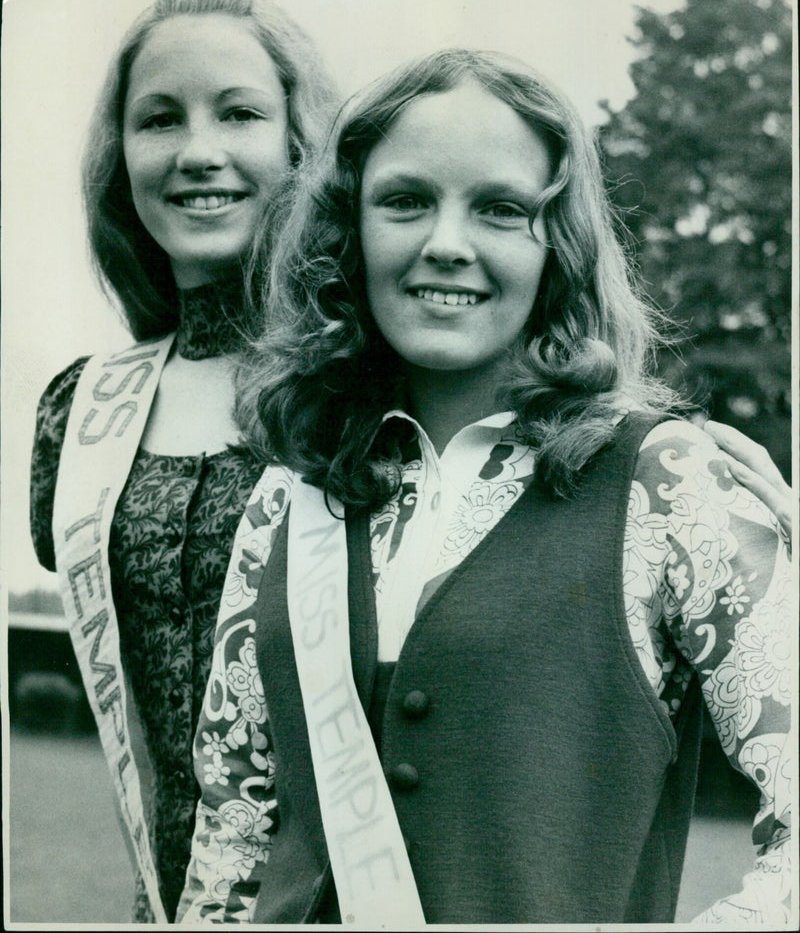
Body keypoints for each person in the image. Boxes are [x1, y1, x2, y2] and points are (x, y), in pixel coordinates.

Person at [178, 49, 792, 926]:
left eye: (501, 209)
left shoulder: (666, 480)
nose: (447, 245)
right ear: (346, 231)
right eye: (405, 200)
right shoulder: (291, 494)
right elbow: (230, 834)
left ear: (561, 247)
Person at [29, 0, 335, 923]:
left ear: (299, 141)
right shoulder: (79, 414)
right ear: (119, 159)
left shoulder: (368, 388)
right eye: (159, 119)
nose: (198, 151)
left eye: (238, 112)